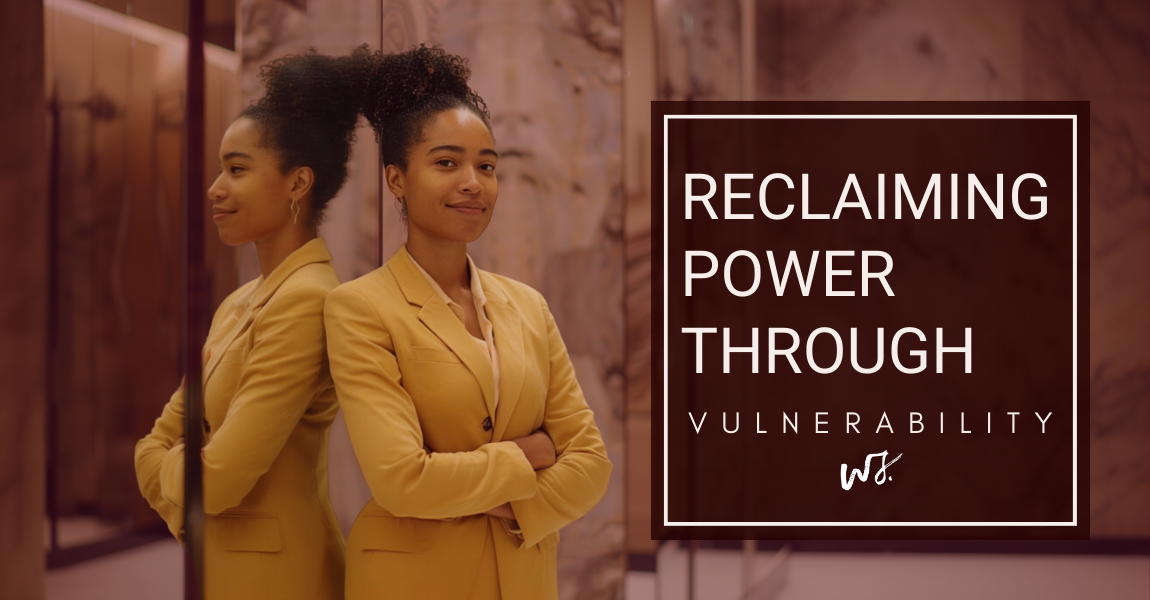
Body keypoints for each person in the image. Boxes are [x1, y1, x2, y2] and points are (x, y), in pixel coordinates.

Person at [324, 46, 613, 600]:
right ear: (396, 179)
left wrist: (486, 490)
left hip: (525, 579)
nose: (473, 182)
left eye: (486, 165)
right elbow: (402, 482)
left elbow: (592, 464)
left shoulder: (528, 305)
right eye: (446, 162)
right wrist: (527, 455)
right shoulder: (360, 307)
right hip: (414, 583)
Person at [134, 48, 369, 600]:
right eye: (220, 169)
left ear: (297, 183)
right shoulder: (240, 303)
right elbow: (153, 442)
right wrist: (183, 479)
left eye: (236, 170)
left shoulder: (308, 299)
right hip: (226, 565)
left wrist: (175, 475)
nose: (215, 187)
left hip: (283, 576)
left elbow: (214, 478)